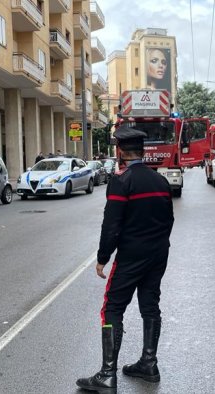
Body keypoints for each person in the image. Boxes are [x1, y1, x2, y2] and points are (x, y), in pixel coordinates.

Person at [76, 125, 174, 393]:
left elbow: (112, 225)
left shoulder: (121, 181)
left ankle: (108, 374)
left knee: (112, 309)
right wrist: (157, 245)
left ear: (120, 151)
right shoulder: (160, 181)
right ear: (143, 152)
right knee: (150, 305)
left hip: (132, 255)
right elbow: (169, 220)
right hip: (158, 253)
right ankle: (149, 364)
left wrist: (102, 258)